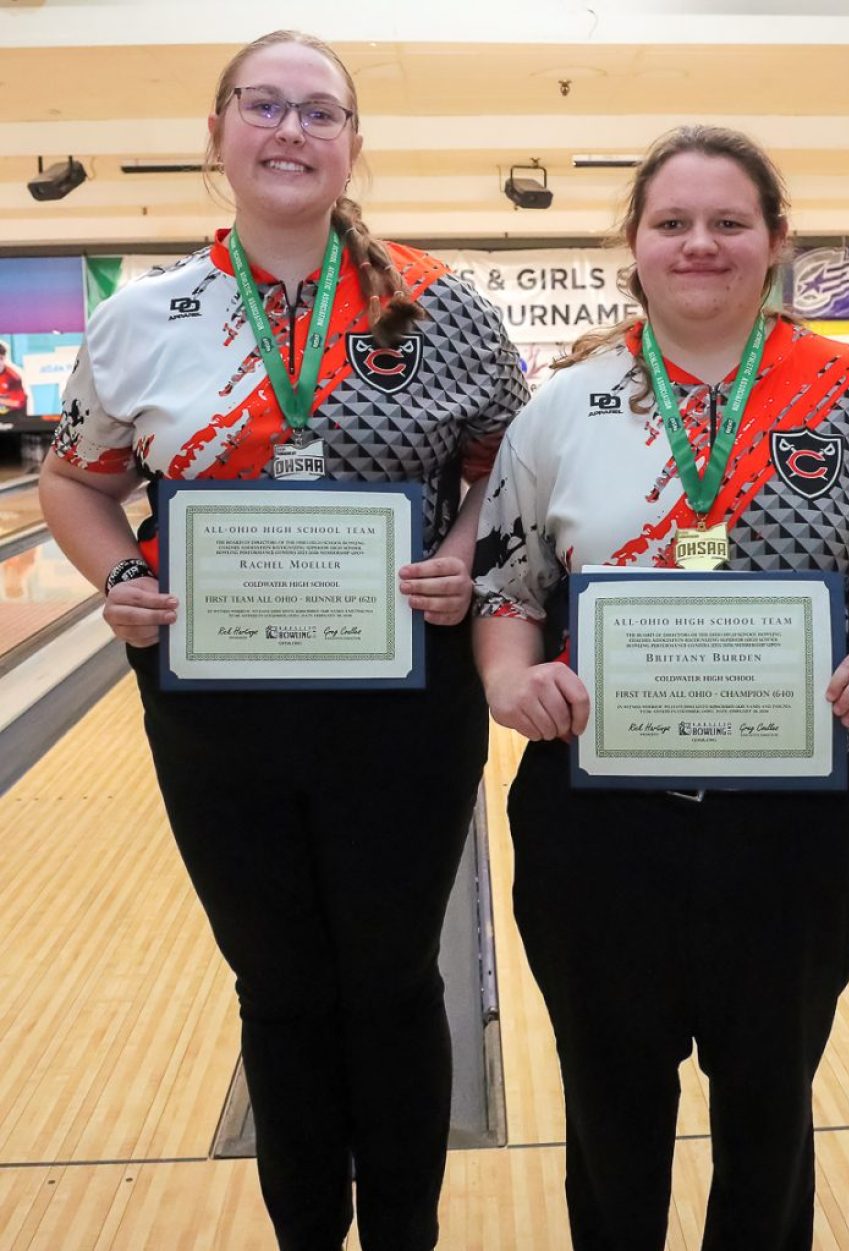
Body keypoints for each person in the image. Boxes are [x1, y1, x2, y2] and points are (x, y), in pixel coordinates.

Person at [40, 30, 527, 1251]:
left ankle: (403, 1235)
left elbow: (513, 473)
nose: (291, 130)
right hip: (216, 709)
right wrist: (124, 577)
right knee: (279, 985)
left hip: (403, 703)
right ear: (217, 134)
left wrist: (462, 551)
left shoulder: (442, 307)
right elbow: (76, 481)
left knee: (393, 979)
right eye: (264, 106)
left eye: (319, 111)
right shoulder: (144, 317)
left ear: (354, 143)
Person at [472, 126, 849, 1251]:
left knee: (770, 1108)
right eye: (673, 223)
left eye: (729, 222)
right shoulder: (567, 403)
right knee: (610, 1108)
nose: (700, 244)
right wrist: (507, 678)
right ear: (633, 244)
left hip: (796, 828)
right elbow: (506, 582)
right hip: (598, 825)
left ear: (776, 240)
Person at [0, 341, 28, 418]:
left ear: (3, 359)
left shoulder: (13, 378)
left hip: (11, 415)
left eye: (1, 359)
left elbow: (18, 403)